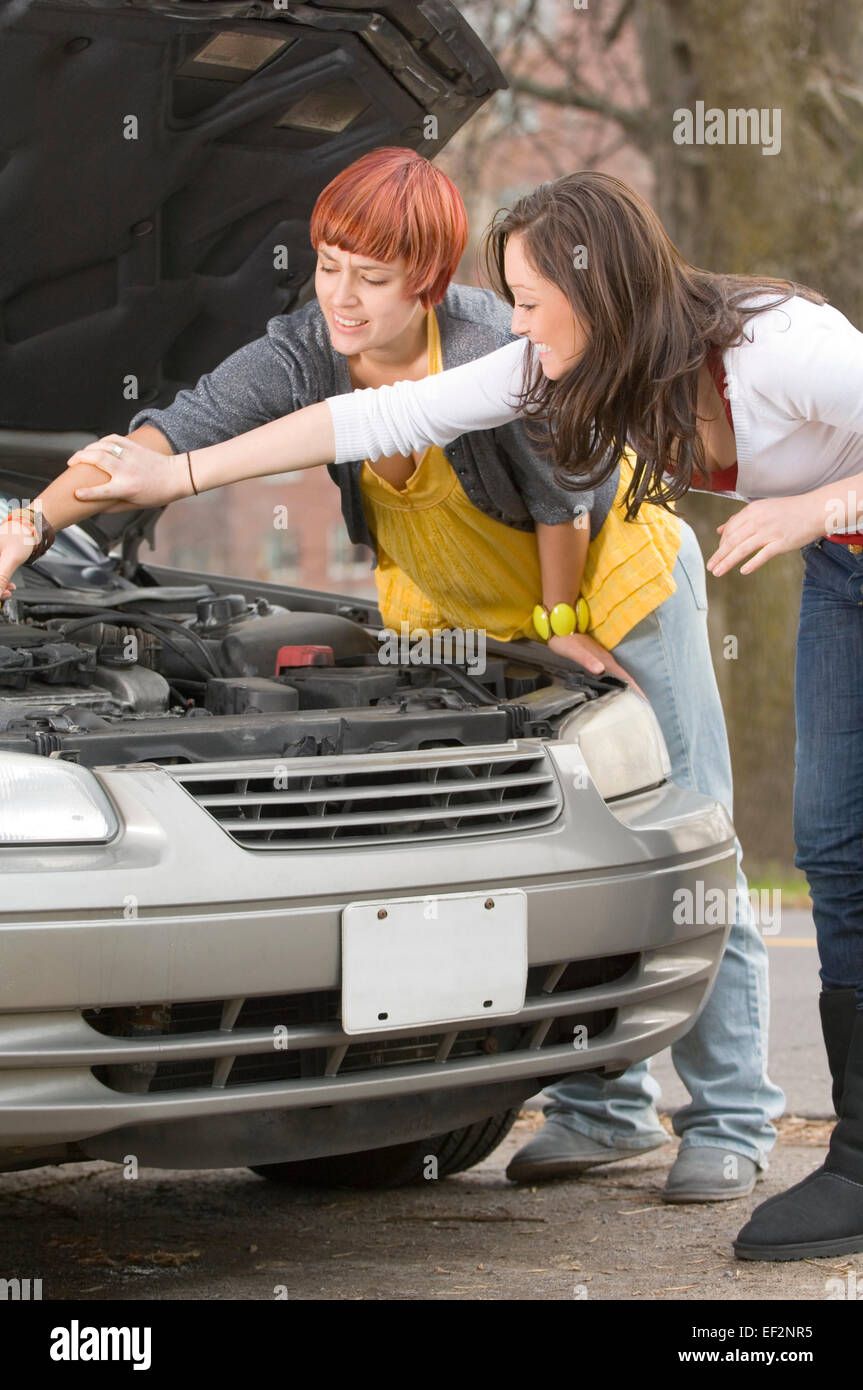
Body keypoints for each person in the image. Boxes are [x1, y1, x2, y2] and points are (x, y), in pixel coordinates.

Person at [0, 161, 784, 1207]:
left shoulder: (500, 348)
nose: (340, 297)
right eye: (328, 267)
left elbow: (564, 503)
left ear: (427, 280)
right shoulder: (306, 349)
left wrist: (563, 634)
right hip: (452, 604)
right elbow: (166, 436)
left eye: (370, 276)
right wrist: (28, 527)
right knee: (551, 847)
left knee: (679, 828)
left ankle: (730, 1116)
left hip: (603, 582)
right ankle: (606, 1108)